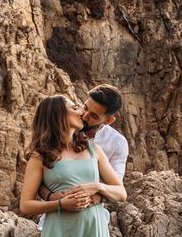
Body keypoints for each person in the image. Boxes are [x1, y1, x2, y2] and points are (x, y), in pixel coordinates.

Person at [19, 95, 127, 236]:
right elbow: (25, 205)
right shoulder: (39, 156)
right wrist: (60, 204)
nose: (81, 113)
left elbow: (121, 193)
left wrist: (97, 187)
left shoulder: (93, 149)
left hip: (94, 226)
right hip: (60, 228)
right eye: (75, 108)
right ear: (58, 114)